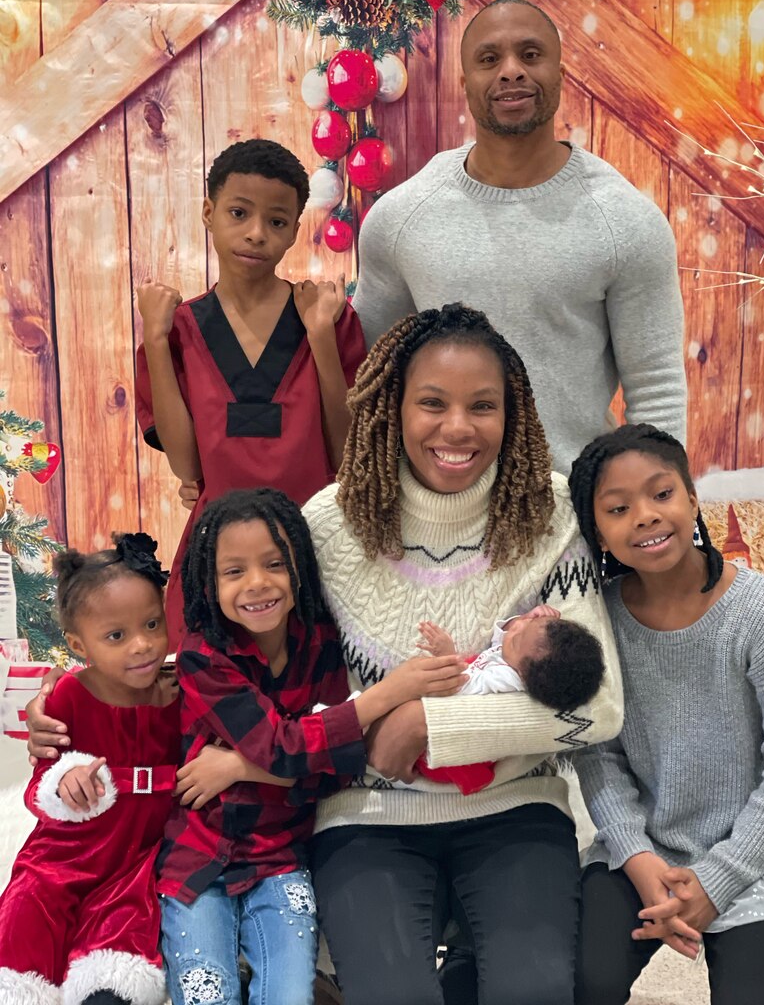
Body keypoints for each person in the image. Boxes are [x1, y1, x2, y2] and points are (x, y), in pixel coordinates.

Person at [301, 302, 624, 1005]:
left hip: (515, 802)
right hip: (370, 812)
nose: (457, 428)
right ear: (392, 406)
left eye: (483, 405)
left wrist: (428, 726)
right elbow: (263, 669)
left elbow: (596, 709)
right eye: (432, 403)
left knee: (535, 994)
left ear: (513, 413)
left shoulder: (549, 515)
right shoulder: (327, 526)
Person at [152, 487, 464, 1005]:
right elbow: (288, 748)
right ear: (209, 582)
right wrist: (389, 693)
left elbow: (338, 766)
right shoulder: (203, 657)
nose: (258, 584)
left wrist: (237, 767)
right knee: (205, 991)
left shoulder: (320, 641)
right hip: (198, 858)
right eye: (234, 572)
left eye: (274, 563)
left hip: (280, 856)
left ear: (299, 565)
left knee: (291, 996)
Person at [353, 0, 686, 474]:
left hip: (571, 515)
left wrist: (663, 519)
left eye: (530, 55)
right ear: (465, 85)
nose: (511, 71)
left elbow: (656, 387)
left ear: (560, 74)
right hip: (434, 519)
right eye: (490, 59)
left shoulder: (625, 222)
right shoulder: (402, 217)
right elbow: (370, 372)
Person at [568, 424, 764, 1005]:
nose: (646, 516)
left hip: (753, 859)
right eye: (618, 508)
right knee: (582, 982)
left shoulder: (761, 614)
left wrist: (718, 879)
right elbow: (596, 751)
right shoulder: (597, 623)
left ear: (693, 498)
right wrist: (637, 853)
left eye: (662, 494)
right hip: (642, 849)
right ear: (597, 532)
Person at [135, 138, 366, 646]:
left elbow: (346, 452)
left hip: (315, 550)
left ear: (293, 233)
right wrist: (154, 338)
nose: (257, 233)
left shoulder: (328, 319)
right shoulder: (178, 329)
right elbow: (187, 469)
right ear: (209, 213)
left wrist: (321, 338)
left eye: (277, 222)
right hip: (219, 557)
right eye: (239, 213)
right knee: (210, 700)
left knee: (316, 698)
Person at [0, 533, 180, 1005]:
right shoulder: (70, 697)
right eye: (116, 636)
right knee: (25, 922)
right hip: (66, 853)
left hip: (137, 861)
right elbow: (42, 778)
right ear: (80, 645)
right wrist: (66, 781)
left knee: (117, 960)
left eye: (152, 624)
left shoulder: (182, 695)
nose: (142, 645)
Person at [415, 605, 605, 793]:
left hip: (448, 758)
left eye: (516, 639)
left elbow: (463, 689)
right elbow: (501, 639)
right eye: (528, 623)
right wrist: (527, 619)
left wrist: (448, 655)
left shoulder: (507, 680)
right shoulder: (517, 657)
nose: (516, 627)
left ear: (522, 675)